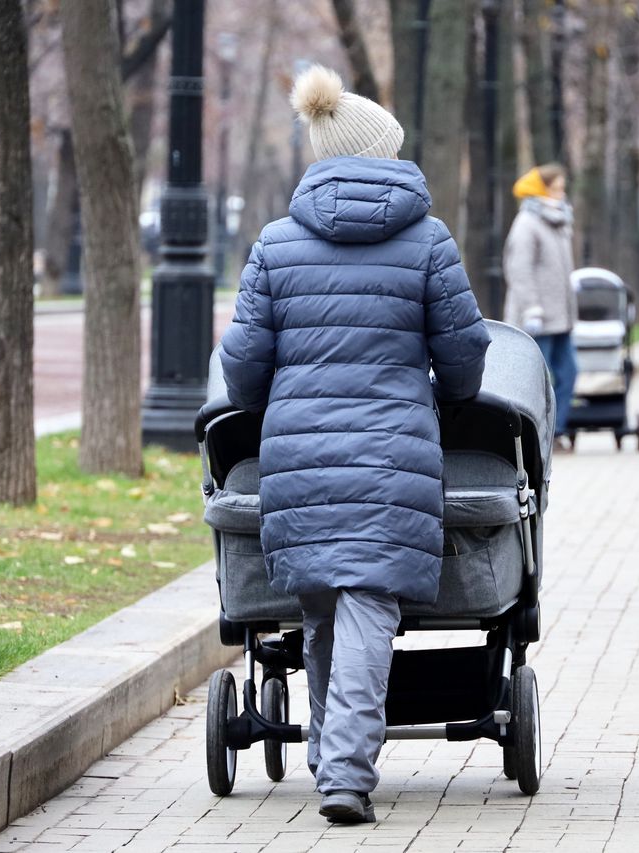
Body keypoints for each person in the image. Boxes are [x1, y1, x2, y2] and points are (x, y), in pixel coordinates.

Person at [219, 65, 491, 825]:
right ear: (384, 156)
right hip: (390, 453)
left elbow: (241, 370)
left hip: (299, 459)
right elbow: (465, 357)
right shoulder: (429, 241)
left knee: (325, 608)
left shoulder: (274, 246)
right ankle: (343, 773)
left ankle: (328, 761)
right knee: (369, 605)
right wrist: (444, 392)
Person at [503, 163, 578, 448]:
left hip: (561, 317)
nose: (561, 193)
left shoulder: (558, 221)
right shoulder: (527, 223)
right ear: (541, 189)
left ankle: (556, 432)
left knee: (569, 372)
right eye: (557, 187)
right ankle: (538, 438)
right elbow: (519, 269)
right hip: (539, 318)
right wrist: (532, 307)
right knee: (538, 382)